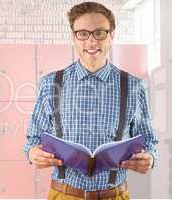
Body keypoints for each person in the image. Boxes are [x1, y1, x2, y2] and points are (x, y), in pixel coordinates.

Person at [23, 1, 159, 200]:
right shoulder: (50, 84)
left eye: (99, 33)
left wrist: (151, 158)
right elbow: (33, 140)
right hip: (64, 194)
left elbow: (148, 142)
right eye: (83, 33)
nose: (92, 42)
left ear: (111, 35)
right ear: (74, 37)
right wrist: (32, 153)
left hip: (115, 195)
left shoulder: (133, 86)